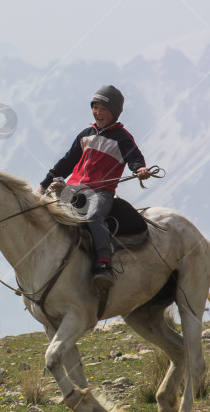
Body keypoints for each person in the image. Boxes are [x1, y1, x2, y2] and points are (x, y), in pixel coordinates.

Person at [37, 85, 151, 289]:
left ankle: (103, 263)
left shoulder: (122, 138)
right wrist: (43, 185)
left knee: (92, 215)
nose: (97, 112)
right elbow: (66, 162)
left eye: (103, 109)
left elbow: (134, 157)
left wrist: (140, 168)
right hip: (72, 189)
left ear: (114, 113)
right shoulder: (85, 134)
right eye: (95, 107)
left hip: (101, 192)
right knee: (47, 215)